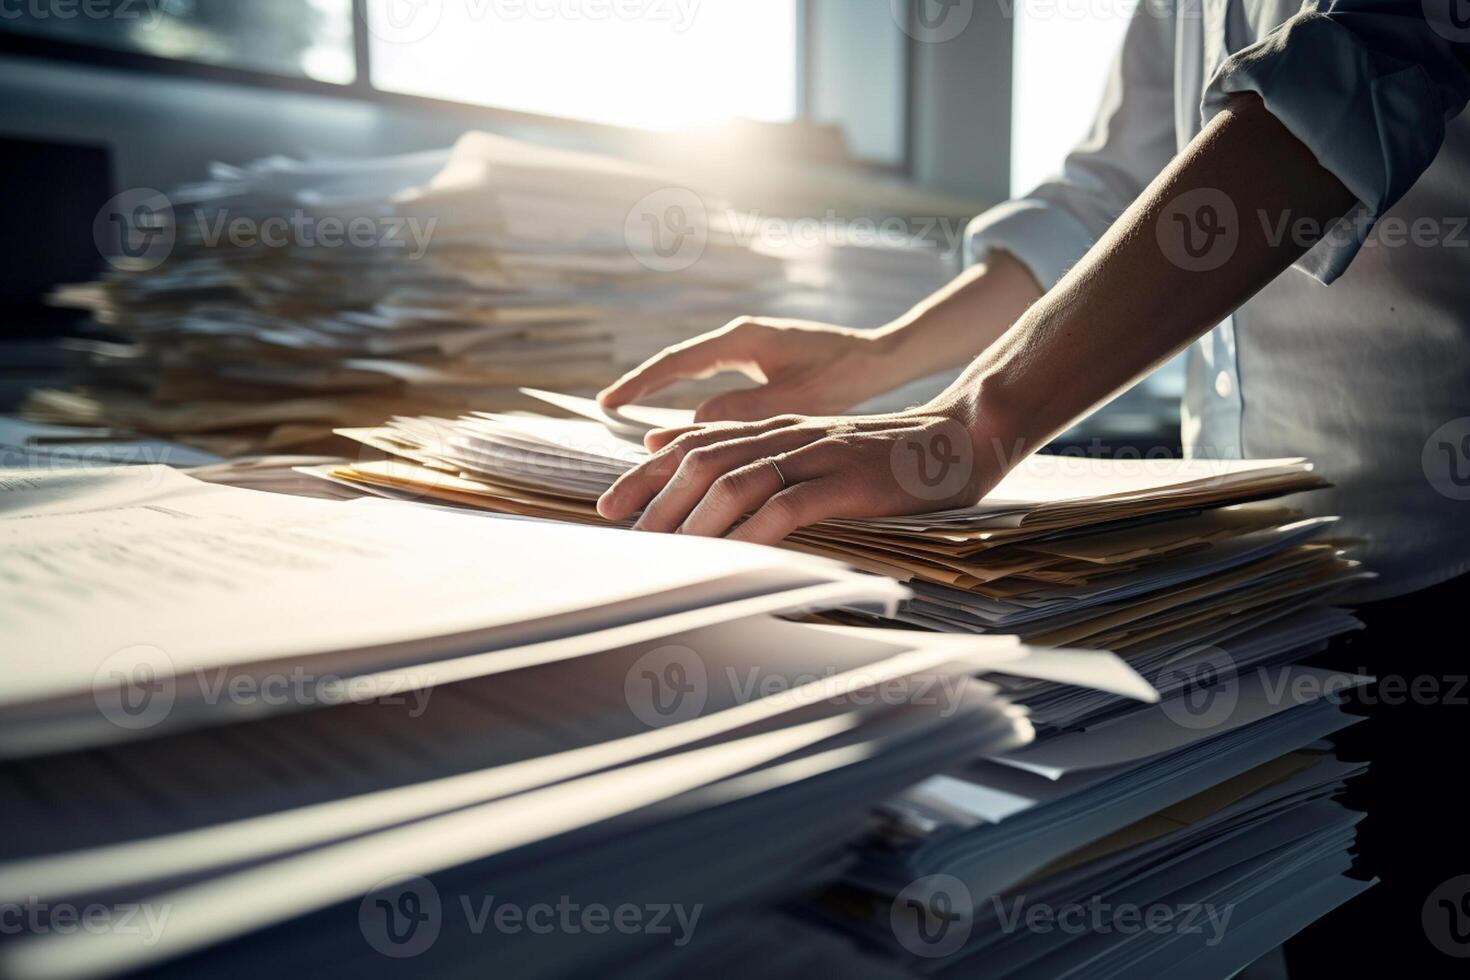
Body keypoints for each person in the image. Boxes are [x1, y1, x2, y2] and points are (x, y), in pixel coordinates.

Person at [596, 1, 1470, 972]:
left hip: (1434, 565)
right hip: (1253, 571)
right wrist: (881, 357)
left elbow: (1341, 84)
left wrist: (976, 421)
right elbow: (1109, 194)